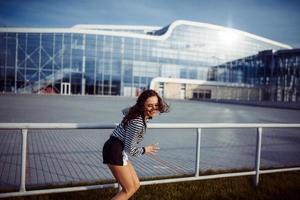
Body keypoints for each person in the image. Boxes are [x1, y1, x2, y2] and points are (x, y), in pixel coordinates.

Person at [102, 89, 169, 200]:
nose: (153, 109)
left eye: (156, 105)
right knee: (128, 190)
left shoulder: (136, 113)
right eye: (149, 105)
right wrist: (145, 149)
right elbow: (131, 150)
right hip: (114, 150)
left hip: (117, 148)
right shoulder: (137, 123)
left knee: (136, 185)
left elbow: (124, 110)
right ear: (142, 105)